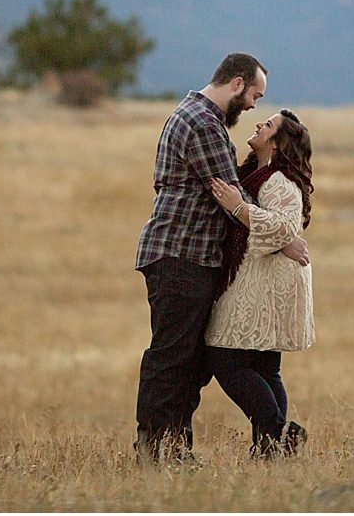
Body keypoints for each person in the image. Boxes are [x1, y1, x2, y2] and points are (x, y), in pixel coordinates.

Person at [133, 53, 309, 463]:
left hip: (187, 254)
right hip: (183, 253)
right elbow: (230, 193)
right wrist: (282, 236)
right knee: (172, 358)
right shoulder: (204, 124)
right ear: (236, 83)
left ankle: (173, 449)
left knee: (188, 361)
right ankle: (157, 451)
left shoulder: (196, 115)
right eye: (254, 96)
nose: (252, 107)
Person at [204, 108, 314, 458]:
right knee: (264, 368)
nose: (258, 124)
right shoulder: (256, 173)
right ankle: (270, 448)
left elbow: (284, 228)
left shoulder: (280, 181)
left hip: (265, 286)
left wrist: (239, 208)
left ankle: (277, 433)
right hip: (261, 280)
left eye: (267, 125)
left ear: (277, 143)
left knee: (226, 359)